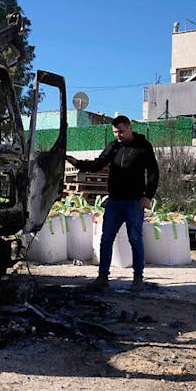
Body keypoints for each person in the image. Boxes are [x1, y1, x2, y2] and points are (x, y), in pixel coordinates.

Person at [66, 115, 158, 292]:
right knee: (106, 239)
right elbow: (98, 164)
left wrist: (148, 196)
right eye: (116, 132)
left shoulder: (143, 147)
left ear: (129, 128)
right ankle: (102, 277)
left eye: (121, 131)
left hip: (134, 202)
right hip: (114, 201)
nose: (118, 135)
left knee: (135, 239)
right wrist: (77, 163)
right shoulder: (114, 147)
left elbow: (153, 172)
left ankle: (138, 279)